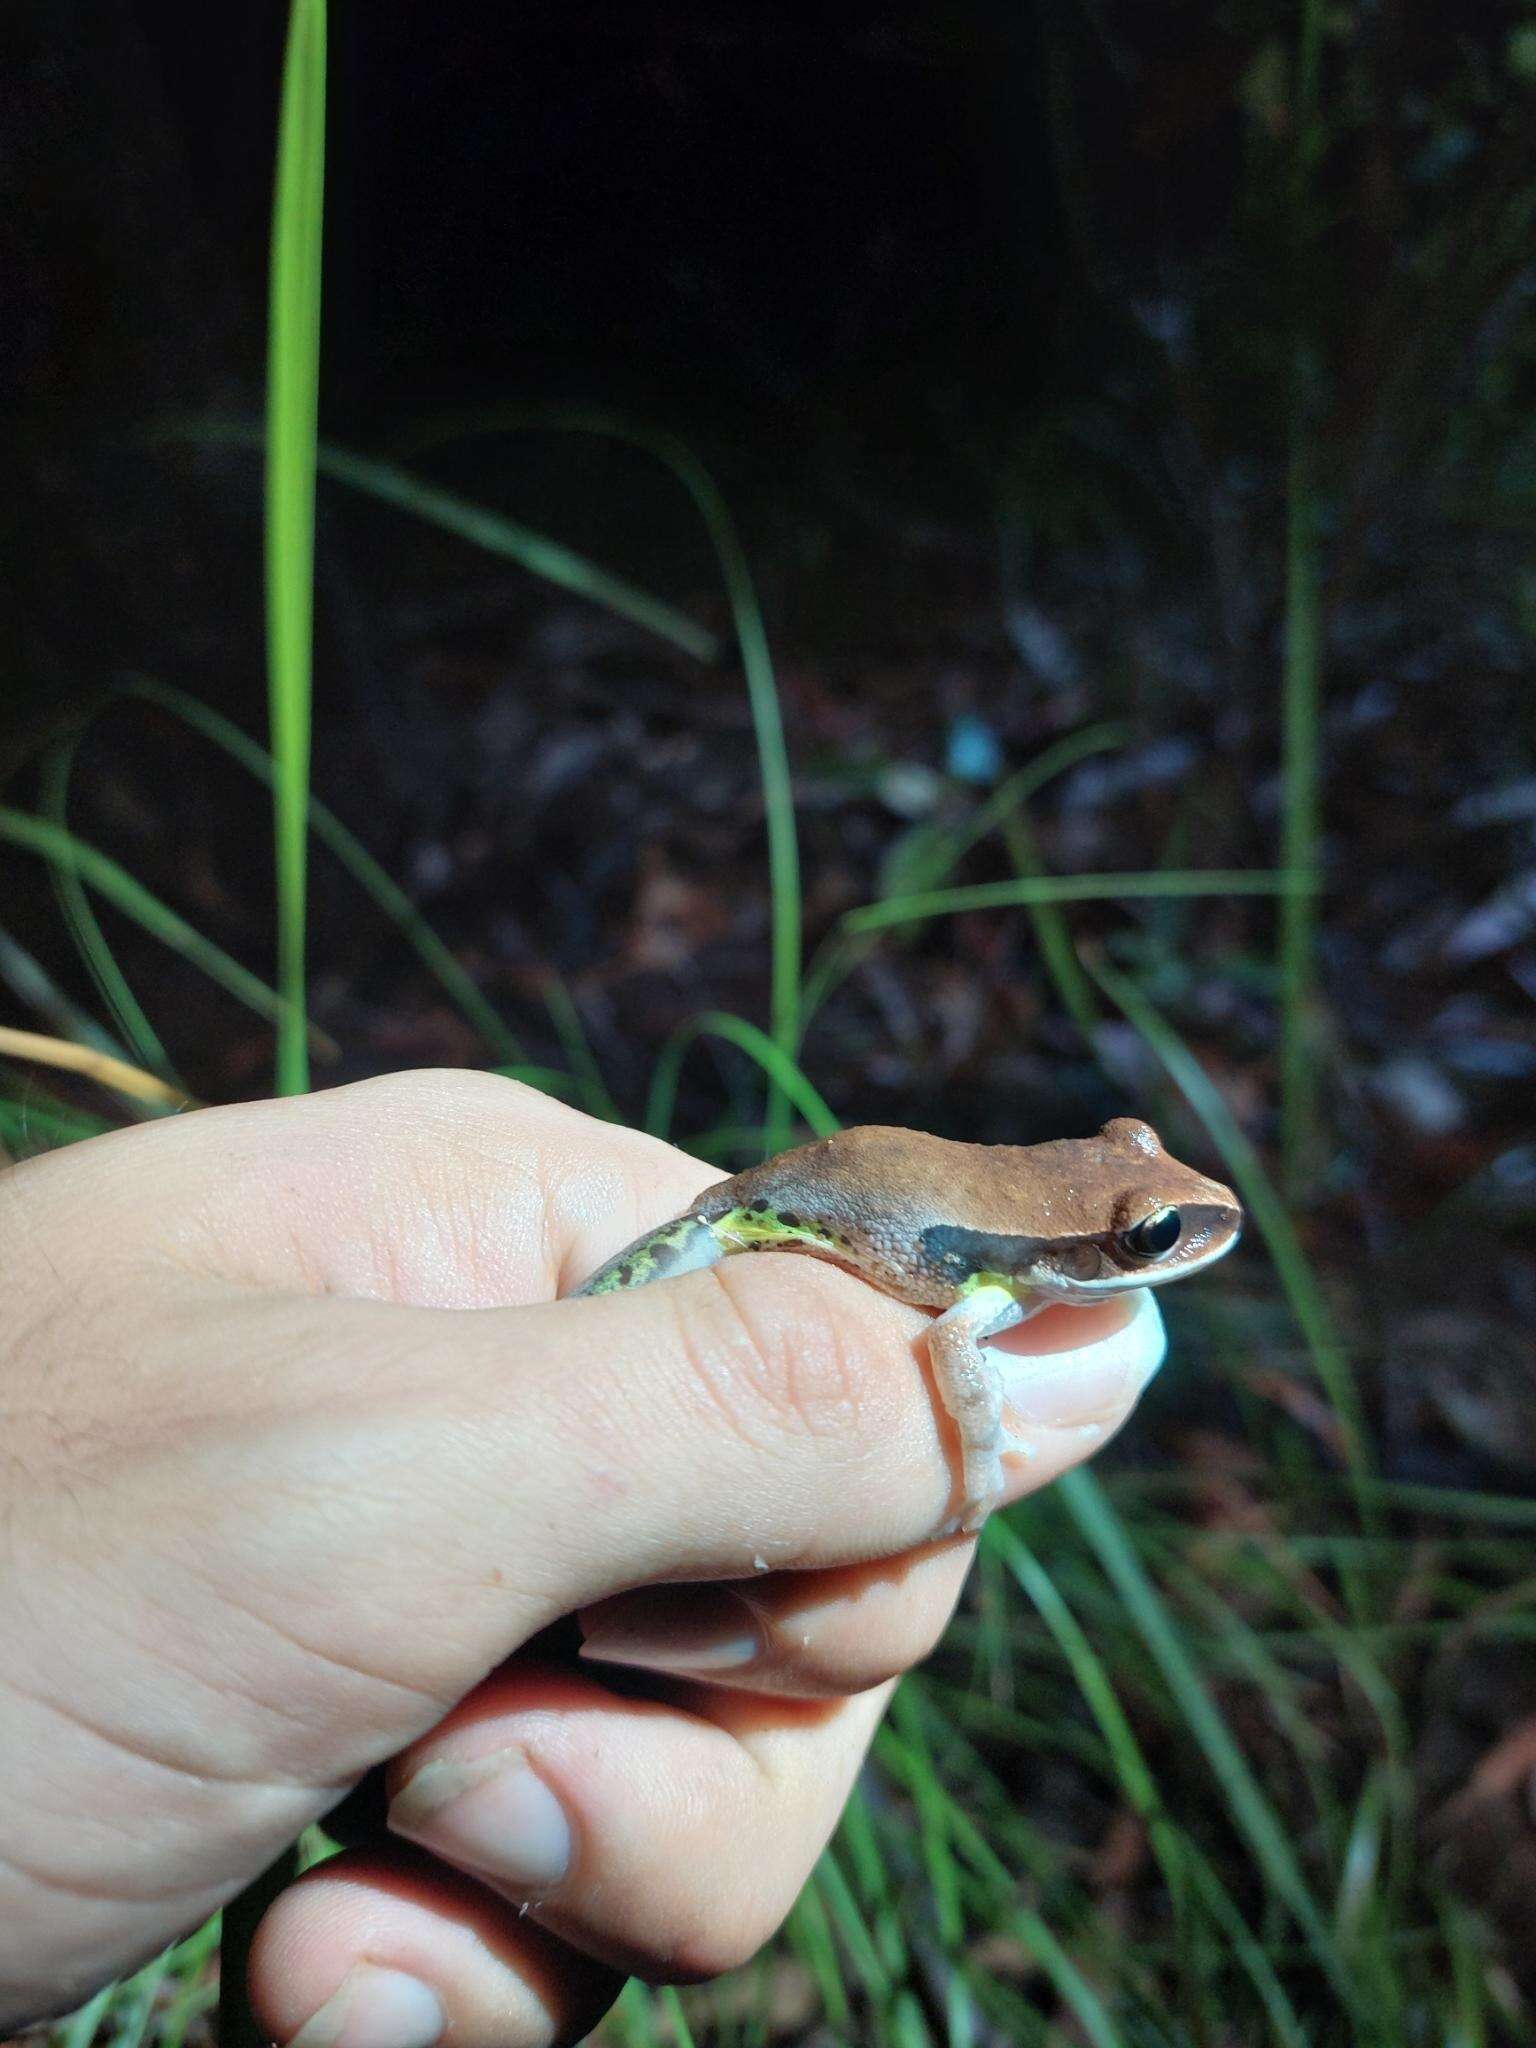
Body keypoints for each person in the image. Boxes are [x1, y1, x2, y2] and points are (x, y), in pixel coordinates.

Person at [0, 1071, 1160, 2047]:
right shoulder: (998, 1293)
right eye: (1148, 1231)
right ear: (1088, 1245)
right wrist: (975, 1456)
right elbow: (957, 1346)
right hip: (764, 1217)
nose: (1191, 1235)